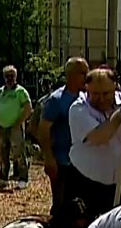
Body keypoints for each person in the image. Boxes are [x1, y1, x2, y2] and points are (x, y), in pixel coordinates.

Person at [66, 67, 121, 217]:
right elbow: (100, 137)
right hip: (84, 181)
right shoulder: (79, 109)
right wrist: (120, 114)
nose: (101, 99)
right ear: (87, 88)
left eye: (106, 93)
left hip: (117, 184)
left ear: (115, 86)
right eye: (95, 94)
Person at [37, 57, 89, 214]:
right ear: (71, 75)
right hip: (63, 162)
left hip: (84, 162)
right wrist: (49, 157)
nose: (87, 76)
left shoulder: (88, 97)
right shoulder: (57, 100)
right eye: (83, 73)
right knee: (62, 206)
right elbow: (43, 129)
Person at [0, 65, 33, 189]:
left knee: (19, 154)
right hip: (2, 128)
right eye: (7, 76)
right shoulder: (1, 91)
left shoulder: (20, 91)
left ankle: (23, 179)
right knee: (3, 154)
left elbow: (28, 108)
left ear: (16, 77)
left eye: (12, 76)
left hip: (15, 128)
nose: (9, 78)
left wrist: (19, 123)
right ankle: (3, 178)